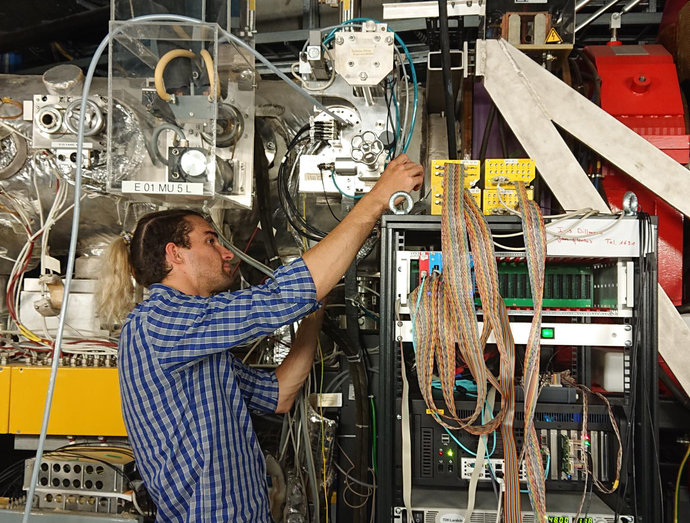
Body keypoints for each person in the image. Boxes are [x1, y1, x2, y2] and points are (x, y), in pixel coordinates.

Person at [97, 153, 424, 522]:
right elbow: (278, 299)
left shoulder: (198, 343)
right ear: (176, 254)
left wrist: (313, 315)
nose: (226, 252)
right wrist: (377, 198)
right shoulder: (160, 321)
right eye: (210, 241)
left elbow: (280, 394)